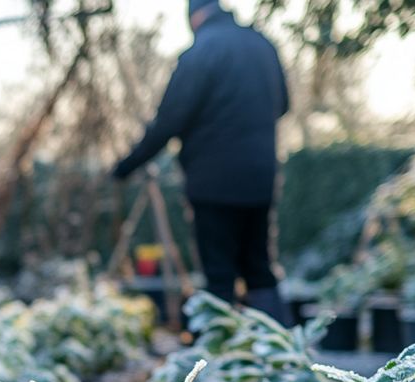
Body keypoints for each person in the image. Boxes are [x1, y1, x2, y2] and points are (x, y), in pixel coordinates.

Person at [112, 0, 290, 322]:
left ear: (195, 16)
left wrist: (127, 165)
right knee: (259, 267)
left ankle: (219, 359)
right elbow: (283, 105)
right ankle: (284, 357)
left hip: (214, 183)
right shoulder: (262, 44)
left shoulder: (200, 53)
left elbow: (169, 121)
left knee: (219, 273)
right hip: (260, 178)